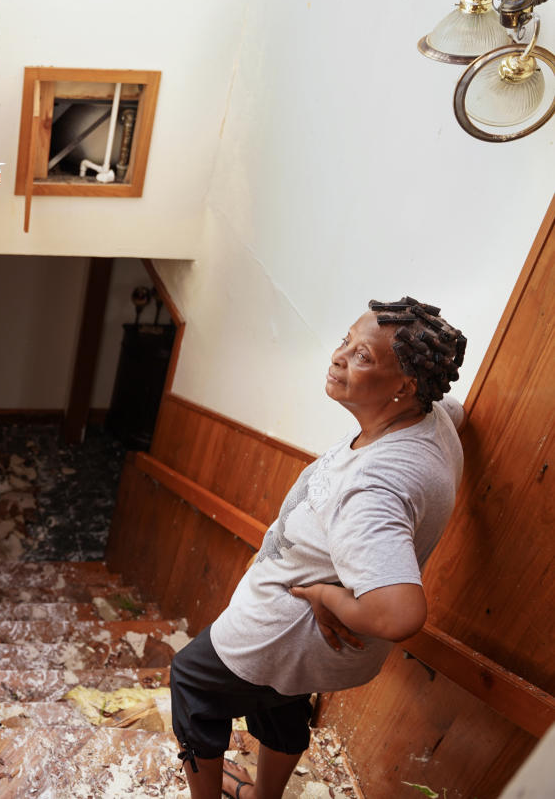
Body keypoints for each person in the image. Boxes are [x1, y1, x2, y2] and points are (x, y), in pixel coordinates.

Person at [169, 296, 468, 799]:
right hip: (303, 646)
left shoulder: (373, 488)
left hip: (279, 630)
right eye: (344, 342)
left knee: (192, 682)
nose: (338, 357)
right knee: (280, 699)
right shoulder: (432, 418)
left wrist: (328, 598)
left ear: (405, 386)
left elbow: (398, 615)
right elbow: (461, 414)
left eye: (363, 357)